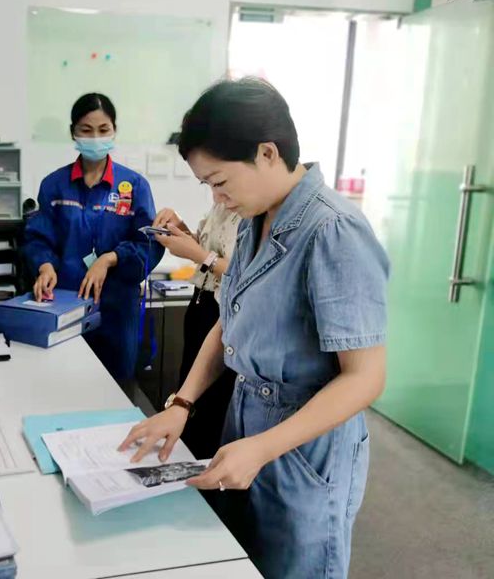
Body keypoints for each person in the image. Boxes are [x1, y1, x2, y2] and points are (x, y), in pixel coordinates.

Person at [119, 78, 389, 579]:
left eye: (220, 181)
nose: (217, 199)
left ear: (267, 153)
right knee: (240, 560)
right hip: (244, 420)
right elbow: (230, 321)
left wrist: (264, 448)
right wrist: (181, 403)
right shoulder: (252, 222)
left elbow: (365, 378)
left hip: (305, 443)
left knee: (295, 565)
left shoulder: (334, 231)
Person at [23, 93, 163, 384]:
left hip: (115, 313)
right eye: (86, 130)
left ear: (114, 130)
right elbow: (38, 238)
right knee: (62, 385)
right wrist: (45, 266)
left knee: (113, 389)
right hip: (64, 308)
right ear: (73, 132)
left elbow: (149, 243)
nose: (95, 138)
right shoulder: (54, 185)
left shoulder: (134, 186)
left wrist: (111, 259)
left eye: (103, 130)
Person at [151, 204, 240, 460]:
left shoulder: (254, 211)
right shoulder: (222, 204)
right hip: (202, 301)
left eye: (217, 184)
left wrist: (200, 255)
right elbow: (209, 250)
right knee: (191, 393)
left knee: (213, 403)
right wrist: (182, 232)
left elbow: (244, 276)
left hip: (223, 307)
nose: (215, 192)